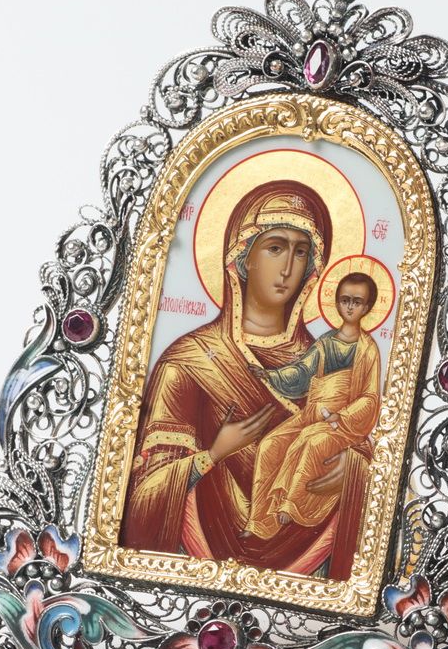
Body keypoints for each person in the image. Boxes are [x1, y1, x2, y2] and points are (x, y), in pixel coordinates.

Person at [118, 180, 373, 579]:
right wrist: (212, 455)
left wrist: (354, 471)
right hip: (194, 570)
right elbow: (140, 500)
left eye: (300, 252)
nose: (288, 268)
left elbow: (369, 444)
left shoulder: (329, 358)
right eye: (275, 248)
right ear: (243, 257)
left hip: (309, 574)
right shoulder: (188, 362)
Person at [242, 273, 381, 540]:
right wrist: (271, 375)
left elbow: (370, 397)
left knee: (311, 441)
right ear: (337, 303)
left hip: (342, 424)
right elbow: (302, 371)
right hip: (311, 414)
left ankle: (290, 504)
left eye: (357, 301)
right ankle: (259, 521)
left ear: (367, 307)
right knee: (270, 444)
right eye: (345, 300)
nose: (350, 307)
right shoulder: (326, 342)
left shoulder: (368, 350)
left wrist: (342, 416)